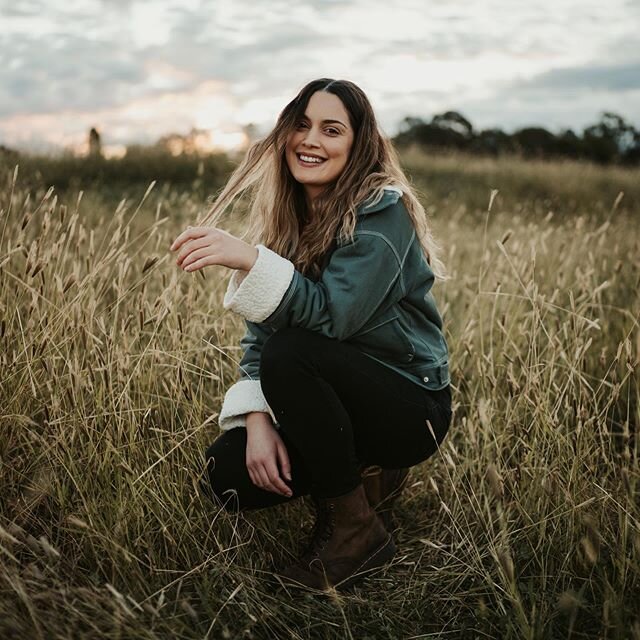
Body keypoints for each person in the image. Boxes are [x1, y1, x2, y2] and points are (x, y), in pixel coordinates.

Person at [169, 78, 452, 592]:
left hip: (410, 404)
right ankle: (364, 475)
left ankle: (356, 530)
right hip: (335, 394)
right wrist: (256, 417)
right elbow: (261, 335)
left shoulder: (382, 212)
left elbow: (331, 318)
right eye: (301, 125)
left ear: (357, 144)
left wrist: (251, 259)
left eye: (331, 129)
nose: (311, 140)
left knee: (293, 352)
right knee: (227, 474)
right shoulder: (289, 221)